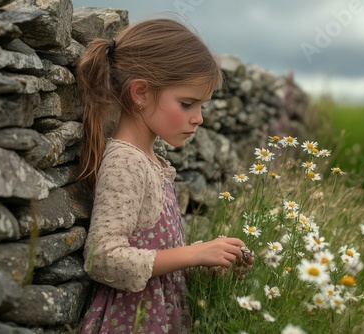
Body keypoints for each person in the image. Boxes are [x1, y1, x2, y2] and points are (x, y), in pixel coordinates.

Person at [76, 18, 254, 334]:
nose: (198, 118)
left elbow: (158, 257)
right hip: (133, 322)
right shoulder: (125, 162)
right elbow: (101, 258)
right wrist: (193, 253)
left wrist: (207, 259)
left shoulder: (152, 161)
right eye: (187, 104)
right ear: (141, 93)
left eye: (201, 106)